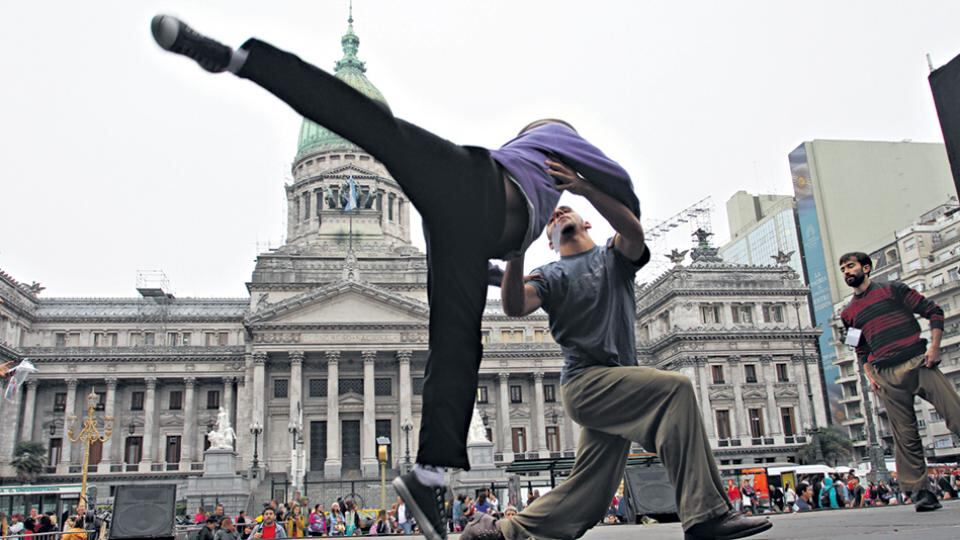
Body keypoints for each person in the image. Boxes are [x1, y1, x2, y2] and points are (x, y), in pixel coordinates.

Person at [149, 16, 643, 540]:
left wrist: (585, 189)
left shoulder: (563, 149)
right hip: (467, 191)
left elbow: (621, 203)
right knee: (372, 128)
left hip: (470, 231)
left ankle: (427, 474)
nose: (532, 133)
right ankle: (240, 60)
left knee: (457, 341)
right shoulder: (519, 154)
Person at [459, 197, 771, 540]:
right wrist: (517, 248)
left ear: (588, 223)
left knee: (593, 490)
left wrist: (583, 184)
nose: (557, 213)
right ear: (549, 241)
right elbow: (515, 304)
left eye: (564, 210)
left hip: (620, 386)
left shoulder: (615, 257)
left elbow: (632, 230)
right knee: (676, 388)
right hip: (586, 385)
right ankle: (706, 516)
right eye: (550, 220)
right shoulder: (549, 275)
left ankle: (501, 533)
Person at [839, 252, 960, 512]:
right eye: (843, 269)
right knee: (905, 436)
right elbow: (858, 349)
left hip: (918, 362)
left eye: (851, 266)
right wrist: (871, 377)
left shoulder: (893, 290)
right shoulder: (848, 313)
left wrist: (935, 348)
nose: (847, 272)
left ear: (866, 268)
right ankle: (921, 493)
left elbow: (934, 311)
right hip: (885, 374)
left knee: (956, 415)